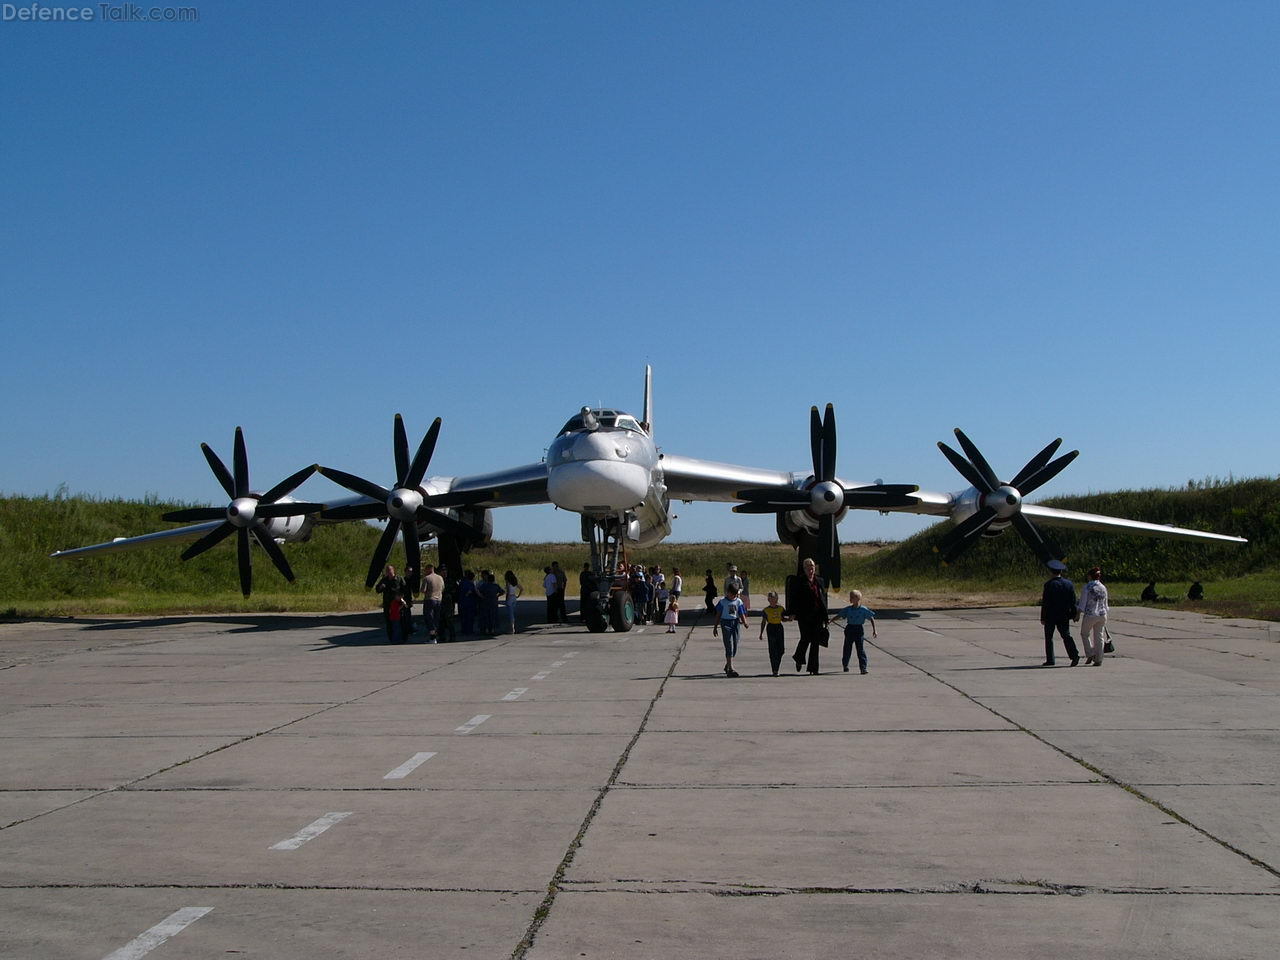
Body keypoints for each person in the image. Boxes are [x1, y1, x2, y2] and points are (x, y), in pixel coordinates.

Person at [788, 557, 829, 675]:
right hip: (804, 615)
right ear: (804, 569)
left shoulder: (820, 581)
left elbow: (823, 599)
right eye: (808, 567)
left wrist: (825, 616)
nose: (810, 569)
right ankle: (798, 658)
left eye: (812, 567)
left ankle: (813, 668)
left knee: (815, 641)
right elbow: (794, 599)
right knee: (805, 638)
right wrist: (792, 613)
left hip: (817, 615)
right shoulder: (799, 581)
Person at [1040, 560, 1080, 667]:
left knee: (1049, 638)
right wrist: (1074, 614)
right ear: (1061, 571)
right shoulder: (1069, 584)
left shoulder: (1049, 585)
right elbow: (1073, 601)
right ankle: (1074, 655)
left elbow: (1046, 602)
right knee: (1066, 636)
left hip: (1051, 615)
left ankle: (1050, 659)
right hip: (1064, 615)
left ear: (1051, 572)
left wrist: (1043, 617)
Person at [831, 589, 876, 674]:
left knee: (860, 649)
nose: (851, 599)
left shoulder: (863, 609)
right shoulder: (848, 609)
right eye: (850, 597)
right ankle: (845, 664)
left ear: (858, 599)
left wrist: (874, 630)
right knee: (847, 648)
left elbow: (871, 618)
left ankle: (863, 668)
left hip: (859, 629)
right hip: (850, 629)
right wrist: (831, 620)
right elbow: (840, 615)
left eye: (853, 598)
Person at [712, 584, 748, 677]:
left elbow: (741, 613)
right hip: (725, 623)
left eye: (735, 595)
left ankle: (727, 665)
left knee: (735, 645)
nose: (733, 596)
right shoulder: (722, 602)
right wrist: (715, 627)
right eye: (732, 594)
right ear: (727, 592)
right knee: (729, 645)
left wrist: (745, 622)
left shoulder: (738, 602)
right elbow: (718, 614)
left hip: (735, 623)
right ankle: (731, 668)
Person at [1077, 566, 1109, 666]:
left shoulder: (1087, 587)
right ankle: (1099, 658)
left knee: (1084, 634)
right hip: (1102, 614)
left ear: (1090, 576)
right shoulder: (1103, 587)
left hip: (1091, 614)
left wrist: (1078, 613)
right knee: (1099, 636)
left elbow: (1082, 603)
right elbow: (1106, 604)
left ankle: (1090, 653)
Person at [758, 590, 789, 676]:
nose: (773, 601)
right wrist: (761, 633)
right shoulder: (766, 610)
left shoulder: (781, 608)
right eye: (770, 599)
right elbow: (763, 622)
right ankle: (775, 669)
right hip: (771, 628)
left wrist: (789, 619)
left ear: (777, 599)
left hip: (779, 627)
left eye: (774, 599)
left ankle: (777, 664)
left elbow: (783, 618)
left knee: (781, 649)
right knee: (772, 650)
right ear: (768, 600)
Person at [374, 564, 406, 643]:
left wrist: (401, 597)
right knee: (389, 622)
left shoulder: (399, 579)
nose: (389, 572)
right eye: (387, 571)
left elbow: (405, 589)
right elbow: (377, 590)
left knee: (401, 622)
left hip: (398, 605)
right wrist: (381, 587)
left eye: (390, 570)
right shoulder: (384, 580)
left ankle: (402, 638)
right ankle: (392, 639)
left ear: (393, 570)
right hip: (388, 605)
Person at [419, 563, 445, 642]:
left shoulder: (426, 578)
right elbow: (443, 588)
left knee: (429, 619)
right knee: (436, 619)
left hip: (429, 599)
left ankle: (432, 637)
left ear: (429, 569)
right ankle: (435, 637)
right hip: (439, 600)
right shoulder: (440, 578)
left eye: (425, 569)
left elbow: (423, 590)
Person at [478, 570, 502, 635]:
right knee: (493, 616)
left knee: (486, 616)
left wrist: (482, 596)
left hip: (485, 602)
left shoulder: (484, 585)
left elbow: (478, 591)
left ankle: (486, 629)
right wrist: (497, 596)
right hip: (494, 603)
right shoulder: (496, 586)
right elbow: (502, 591)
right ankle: (492, 630)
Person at [457, 570, 479, 635]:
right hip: (470, 603)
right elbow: (471, 592)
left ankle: (464, 629)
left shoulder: (461, 583)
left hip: (462, 602)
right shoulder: (471, 584)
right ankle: (469, 630)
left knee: (463, 617)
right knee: (470, 617)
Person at [503, 570, 521, 634]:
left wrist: (506, 599)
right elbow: (521, 588)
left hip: (510, 597)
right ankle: (512, 627)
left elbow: (508, 591)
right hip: (514, 597)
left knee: (510, 614)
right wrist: (518, 595)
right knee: (512, 613)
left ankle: (512, 628)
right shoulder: (515, 582)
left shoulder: (508, 582)